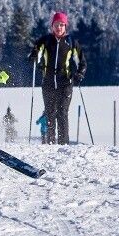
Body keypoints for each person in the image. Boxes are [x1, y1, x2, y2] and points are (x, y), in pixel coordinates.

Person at [32, 12, 85, 145]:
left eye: (61, 25)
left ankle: (63, 144)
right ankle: (50, 143)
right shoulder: (45, 40)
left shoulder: (71, 42)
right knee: (50, 113)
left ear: (65, 26)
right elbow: (36, 54)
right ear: (52, 26)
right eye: (56, 25)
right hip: (48, 83)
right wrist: (34, 57)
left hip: (65, 83)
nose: (59, 27)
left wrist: (79, 73)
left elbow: (82, 62)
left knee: (62, 113)